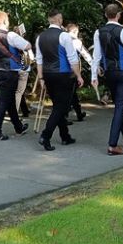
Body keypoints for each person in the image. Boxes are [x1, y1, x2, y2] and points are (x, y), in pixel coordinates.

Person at [92, 3, 123, 155]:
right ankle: (112, 145)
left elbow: (97, 56)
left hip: (110, 72)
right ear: (119, 15)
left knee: (120, 106)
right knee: (121, 107)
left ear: (106, 15)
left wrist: (94, 76)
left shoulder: (98, 32)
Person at [35, 10, 83, 151]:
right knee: (61, 107)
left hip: (48, 74)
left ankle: (65, 136)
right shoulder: (64, 36)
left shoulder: (40, 37)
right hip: (63, 75)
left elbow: (39, 60)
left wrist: (41, 77)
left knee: (58, 105)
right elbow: (72, 58)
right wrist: (79, 75)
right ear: (59, 19)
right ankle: (46, 135)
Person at [0, 12, 30, 141]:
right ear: (4, 21)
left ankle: (18, 127)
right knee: (4, 101)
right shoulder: (11, 35)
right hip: (10, 71)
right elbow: (27, 46)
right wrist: (21, 38)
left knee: (8, 100)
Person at [66, 23, 91, 121]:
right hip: (72, 70)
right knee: (70, 93)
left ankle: (79, 113)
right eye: (77, 32)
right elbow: (85, 54)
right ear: (74, 31)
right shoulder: (76, 41)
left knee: (72, 93)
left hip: (61, 70)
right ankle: (65, 116)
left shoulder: (61, 39)